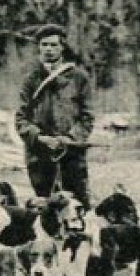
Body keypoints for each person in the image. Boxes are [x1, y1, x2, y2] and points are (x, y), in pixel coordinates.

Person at [13, 23, 94, 203]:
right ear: (39, 48)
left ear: (62, 47)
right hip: (39, 155)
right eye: (44, 45)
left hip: (72, 154)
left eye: (53, 45)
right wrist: (40, 138)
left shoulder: (79, 78)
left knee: (77, 204)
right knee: (44, 205)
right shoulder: (31, 80)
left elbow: (87, 117)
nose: (49, 49)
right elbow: (21, 119)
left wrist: (71, 138)